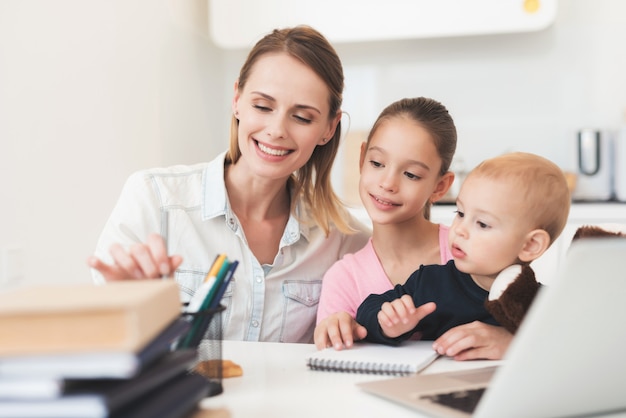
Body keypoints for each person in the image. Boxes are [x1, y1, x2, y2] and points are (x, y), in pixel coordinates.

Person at [87, 25, 370, 344]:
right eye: (262, 106)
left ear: (329, 128)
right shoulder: (155, 200)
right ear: (237, 100)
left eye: (302, 117)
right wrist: (128, 301)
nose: (276, 130)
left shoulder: (345, 241)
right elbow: (100, 333)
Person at [355, 152, 571, 360]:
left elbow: (585, 345)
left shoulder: (544, 305)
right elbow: (367, 310)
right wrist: (388, 322)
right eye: (460, 213)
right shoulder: (431, 283)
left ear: (530, 245)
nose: (459, 230)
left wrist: (514, 342)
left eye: (482, 224)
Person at [314, 97, 456, 350]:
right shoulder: (344, 279)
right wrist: (336, 329)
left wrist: (505, 338)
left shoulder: (466, 252)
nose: (388, 183)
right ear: (362, 159)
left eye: (411, 174)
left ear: (440, 186)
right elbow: (330, 361)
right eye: (377, 163)